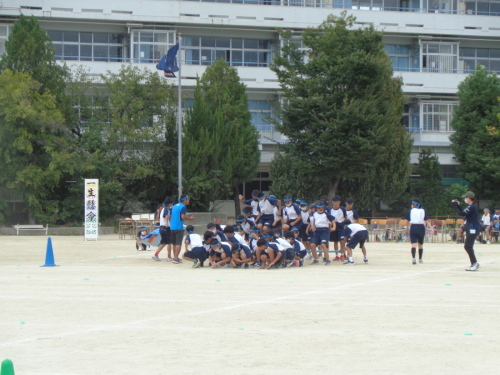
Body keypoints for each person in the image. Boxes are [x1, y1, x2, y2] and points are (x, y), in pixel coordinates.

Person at [452, 191, 481, 271]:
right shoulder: (471, 206)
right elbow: (463, 213)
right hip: (471, 227)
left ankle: (474, 263)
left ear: (468, 198)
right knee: (468, 246)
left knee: (468, 246)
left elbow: (461, 213)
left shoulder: (472, 207)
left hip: (473, 228)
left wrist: (455, 205)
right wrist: (457, 205)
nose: (465, 199)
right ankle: (474, 263)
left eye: (465, 197)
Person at [170, 194, 196, 264]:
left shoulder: (174, 206)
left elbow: (173, 215)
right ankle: (175, 258)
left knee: (174, 243)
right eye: (188, 199)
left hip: (172, 227)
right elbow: (182, 217)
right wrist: (190, 218)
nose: (188, 201)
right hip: (179, 227)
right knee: (178, 243)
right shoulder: (183, 207)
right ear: (184, 200)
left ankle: (175, 257)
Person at [309, 200, 335, 265]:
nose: (320, 209)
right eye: (319, 208)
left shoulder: (326, 214)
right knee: (312, 245)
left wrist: (334, 227)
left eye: (321, 208)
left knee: (323, 244)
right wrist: (313, 227)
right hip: (317, 230)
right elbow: (312, 220)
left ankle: (327, 259)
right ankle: (315, 259)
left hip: (324, 230)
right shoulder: (314, 213)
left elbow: (333, 220)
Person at [404, 198, 429, 265]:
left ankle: (416, 258)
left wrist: (407, 228)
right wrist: (431, 227)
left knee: (416, 244)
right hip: (420, 227)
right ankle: (417, 259)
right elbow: (426, 219)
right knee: (418, 244)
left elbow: (407, 220)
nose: (412, 205)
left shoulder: (411, 210)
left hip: (414, 227)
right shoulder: (423, 210)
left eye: (413, 204)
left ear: (416, 204)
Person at [328, 196, 348, 261]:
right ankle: (336, 255)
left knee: (342, 241)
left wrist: (345, 225)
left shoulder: (343, 209)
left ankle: (342, 254)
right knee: (335, 241)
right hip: (333, 225)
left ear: (339, 202)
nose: (336, 203)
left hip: (340, 225)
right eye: (334, 202)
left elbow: (345, 218)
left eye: (337, 202)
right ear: (333, 202)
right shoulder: (330, 209)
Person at [152, 197, 173, 261]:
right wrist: (167, 224)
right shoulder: (166, 210)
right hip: (166, 227)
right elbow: (167, 216)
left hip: (161, 227)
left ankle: (156, 254)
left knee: (163, 242)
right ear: (169, 204)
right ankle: (169, 256)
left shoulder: (163, 209)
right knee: (169, 242)